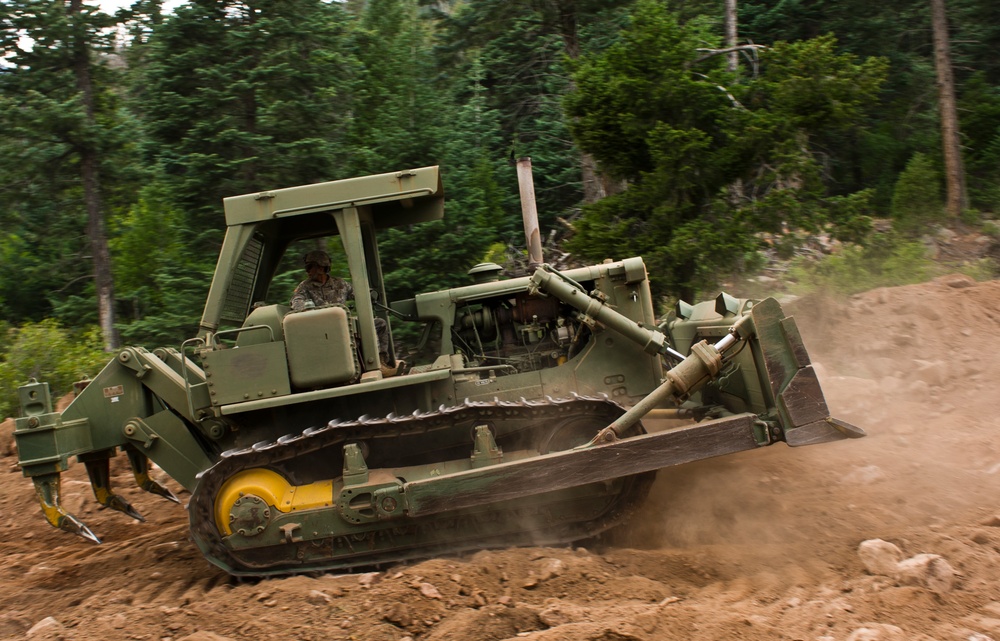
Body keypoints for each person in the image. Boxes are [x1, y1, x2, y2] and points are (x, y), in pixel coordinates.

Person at [290, 250, 403, 377]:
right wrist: (304, 309)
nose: (307, 271)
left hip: (345, 326)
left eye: (310, 267)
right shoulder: (304, 287)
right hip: (321, 331)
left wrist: (370, 294)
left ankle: (381, 364)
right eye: (307, 267)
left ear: (321, 267)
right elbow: (296, 301)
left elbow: (358, 294)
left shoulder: (340, 284)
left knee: (379, 324)